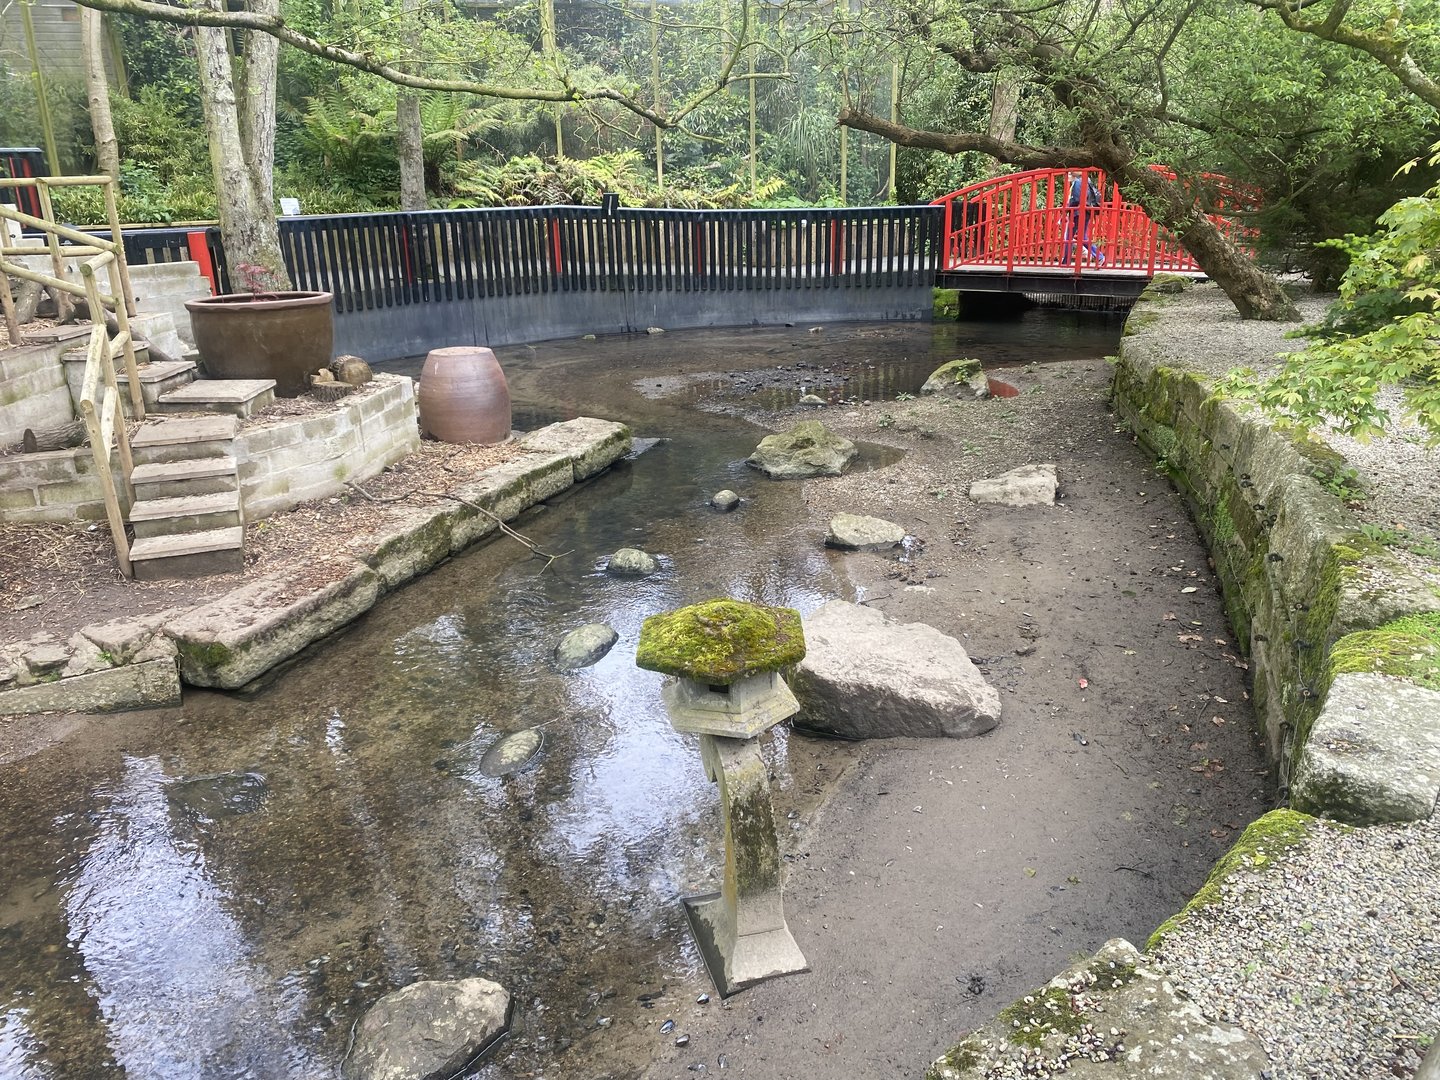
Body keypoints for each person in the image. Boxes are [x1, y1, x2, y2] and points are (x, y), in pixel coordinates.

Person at [1063, 171, 1106, 265]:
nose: (1068, 175)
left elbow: (1077, 199)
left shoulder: (1078, 182)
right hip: (1085, 212)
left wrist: (1068, 208)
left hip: (1077, 212)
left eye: (1070, 173)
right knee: (1082, 236)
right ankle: (1099, 256)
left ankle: (1066, 262)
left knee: (1068, 237)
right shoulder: (1086, 180)